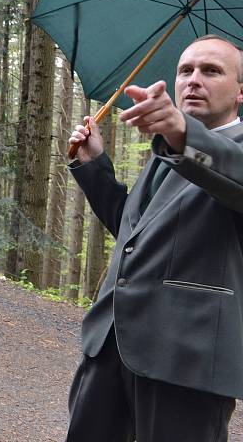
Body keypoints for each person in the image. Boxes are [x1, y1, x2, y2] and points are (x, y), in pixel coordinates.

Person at [65, 35, 243, 441]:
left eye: (211, 71)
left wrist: (182, 134)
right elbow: (137, 236)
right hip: (110, 345)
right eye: (186, 70)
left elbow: (228, 173)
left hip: (187, 359)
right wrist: (95, 167)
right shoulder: (166, 152)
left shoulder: (210, 150)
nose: (194, 80)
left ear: (240, 91)